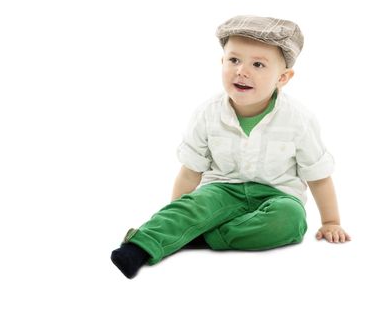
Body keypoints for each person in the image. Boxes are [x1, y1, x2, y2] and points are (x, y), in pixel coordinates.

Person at [111, 15, 351, 279]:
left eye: (258, 64)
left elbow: (318, 176)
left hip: (276, 196)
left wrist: (331, 222)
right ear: (222, 62)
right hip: (222, 189)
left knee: (290, 220)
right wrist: (181, 214)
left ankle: (202, 238)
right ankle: (141, 246)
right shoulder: (207, 114)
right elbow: (190, 172)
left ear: (283, 77)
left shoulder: (299, 120)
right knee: (195, 206)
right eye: (234, 60)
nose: (242, 71)